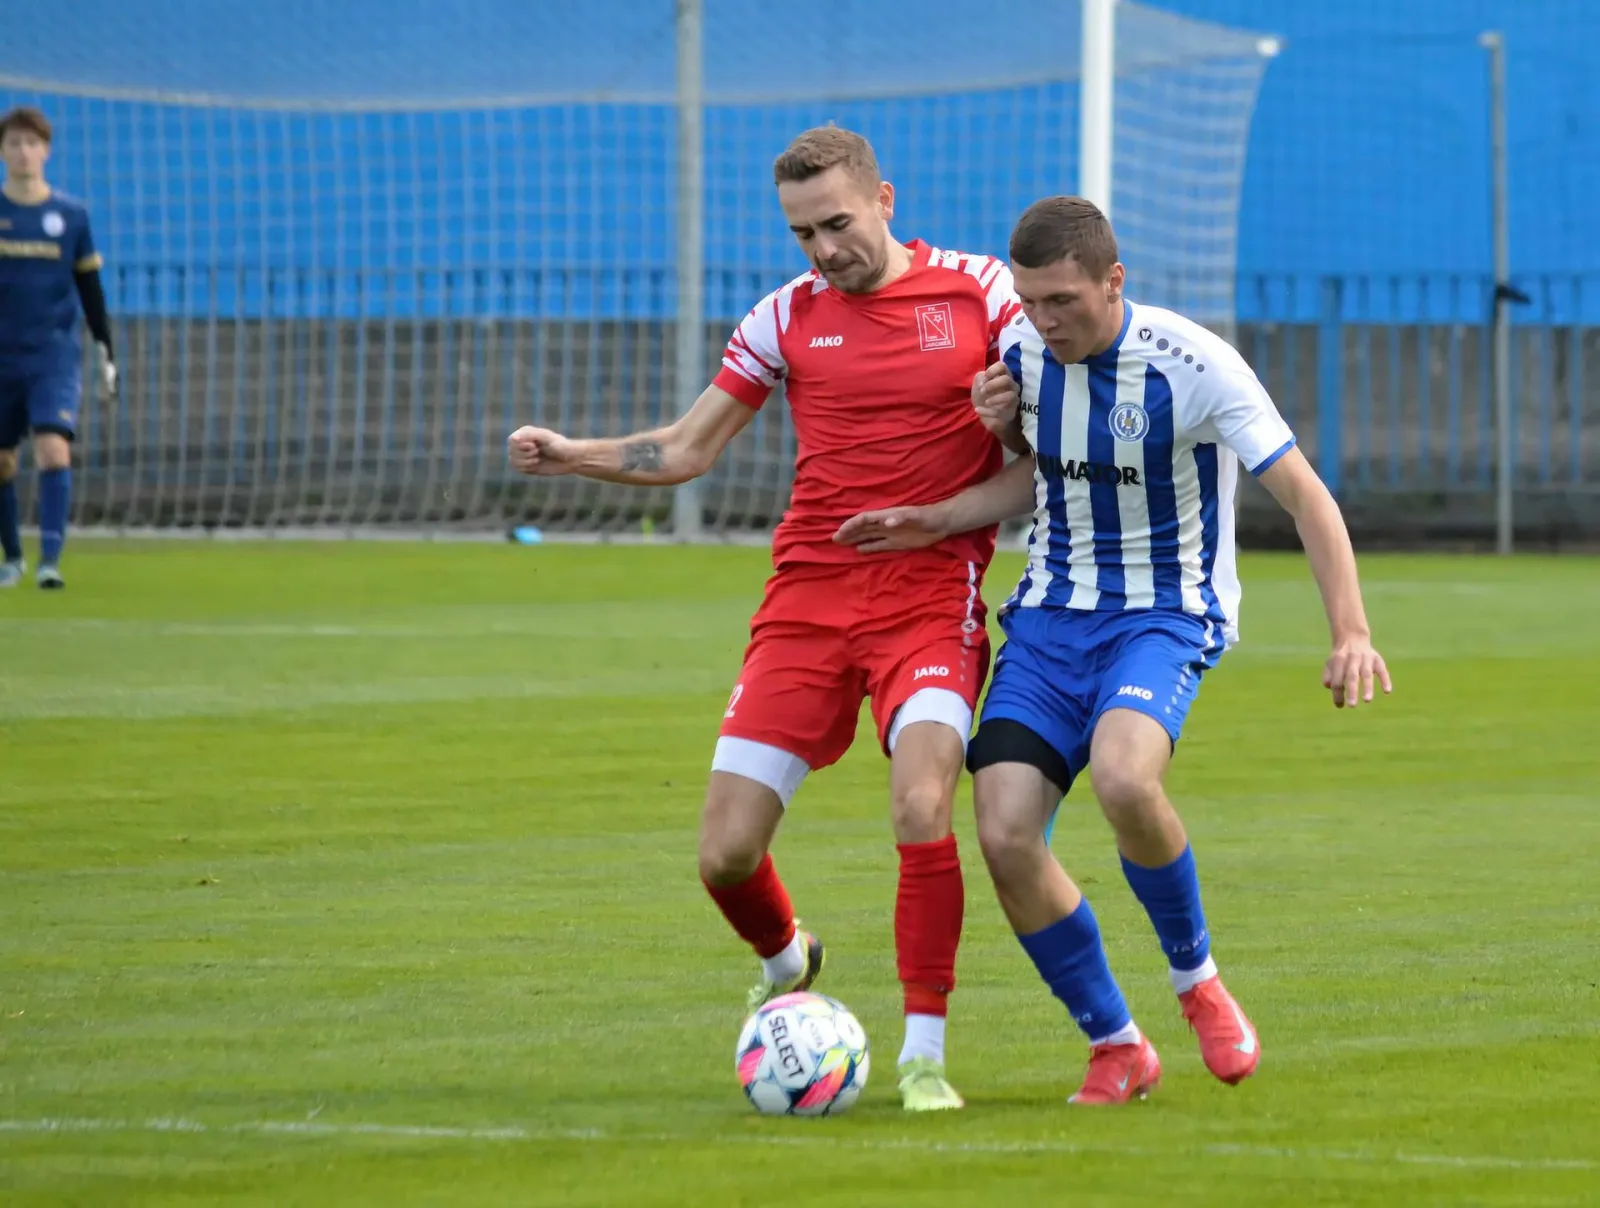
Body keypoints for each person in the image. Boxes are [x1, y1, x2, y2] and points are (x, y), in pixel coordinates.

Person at [835, 195, 1393, 1104]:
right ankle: (1116, 1043)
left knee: (1127, 780)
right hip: (1050, 622)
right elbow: (1040, 474)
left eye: (1062, 300)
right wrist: (937, 515)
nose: (1043, 320)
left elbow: (1307, 497)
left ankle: (1197, 981)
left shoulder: (1195, 365)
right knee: (1004, 831)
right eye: (1029, 301)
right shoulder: (1019, 356)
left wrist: (1352, 632)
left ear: (1113, 281)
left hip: (1163, 618)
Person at [507, 126, 1022, 1111]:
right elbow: (686, 448)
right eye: (802, 234)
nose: (823, 249)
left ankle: (922, 1056)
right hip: (807, 603)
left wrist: (1008, 424)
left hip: (927, 599)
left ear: (884, 199)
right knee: (725, 854)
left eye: (836, 223)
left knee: (921, 804)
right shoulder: (785, 317)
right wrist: (572, 455)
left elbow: (1045, 449)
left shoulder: (983, 295)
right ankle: (789, 957)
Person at [0, 105, 118, 589]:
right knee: (3, 461)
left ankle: (50, 561)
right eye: (14, 143)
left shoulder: (71, 216)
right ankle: (12, 557)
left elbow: (89, 286)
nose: (23, 152)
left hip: (52, 355)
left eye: (31, 143)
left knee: (53, 449)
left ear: (46, 151)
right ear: (2, 151)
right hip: (2, 355)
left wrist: (106, 348)